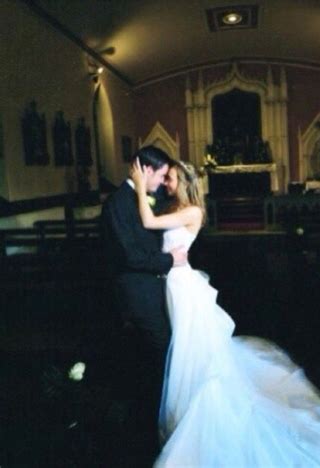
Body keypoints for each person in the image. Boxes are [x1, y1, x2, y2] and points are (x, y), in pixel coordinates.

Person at [130, 159, 320, 467]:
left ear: (184, 182)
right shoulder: (174, 208)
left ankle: (198, 410)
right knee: (185, 348)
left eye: (170, 178)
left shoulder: (192, 211)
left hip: (183, 286)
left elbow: (147, 222)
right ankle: (187, 406)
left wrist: (139, 186)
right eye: (166, 178)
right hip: (173, 283)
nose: (167, 184)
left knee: (190, 349)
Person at [100, 146, 187, 462]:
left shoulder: (154, 197)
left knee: (165, 351)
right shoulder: (116, 204)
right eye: (162, 175)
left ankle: (162, 414)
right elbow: (129, 256)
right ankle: (154, 424)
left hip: (158, 288)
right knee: (163, 350)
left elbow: (173, 210)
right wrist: (169, 260)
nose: (164, 182)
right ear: (145, 170)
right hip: (136, 291)